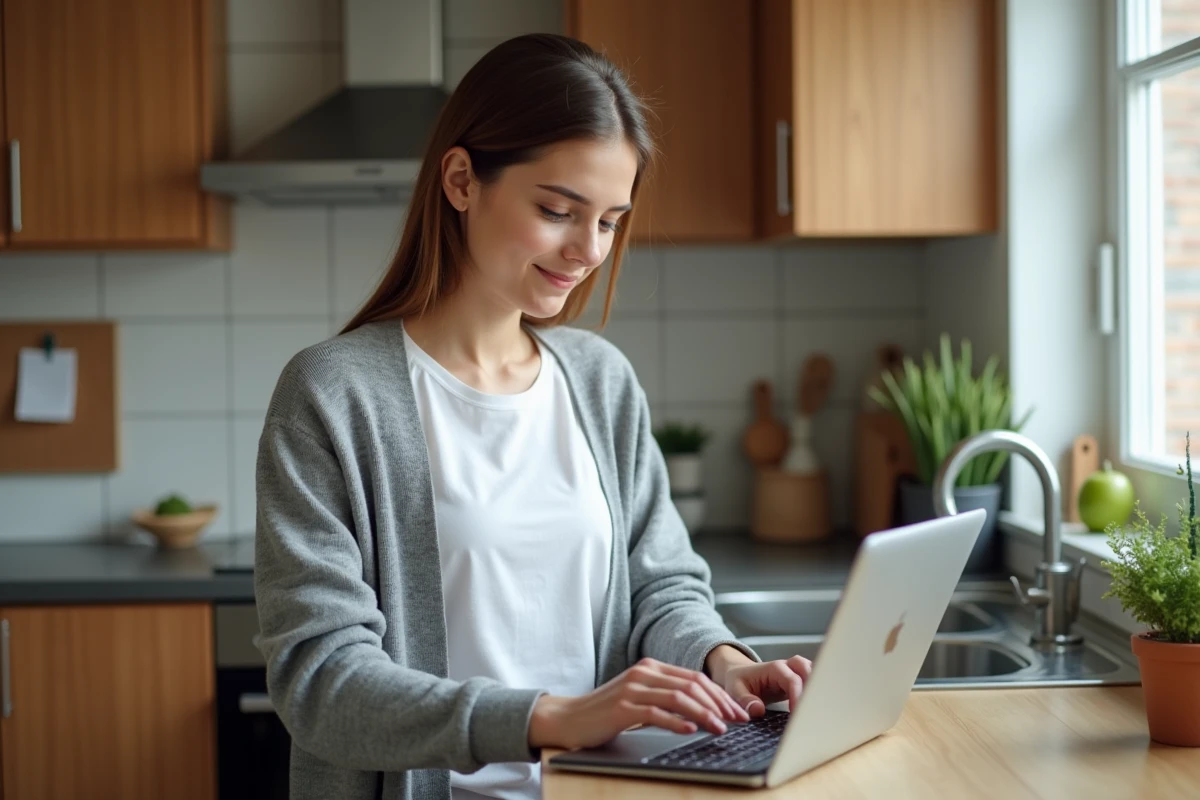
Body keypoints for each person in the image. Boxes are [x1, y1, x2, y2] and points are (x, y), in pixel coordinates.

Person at [253, 32, 813, 800]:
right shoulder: (333, 394)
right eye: (558, 210)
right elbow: (321, 683)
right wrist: (548, 717)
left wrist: (721, 658)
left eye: (611, 221)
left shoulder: (598, 380)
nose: (588, 250)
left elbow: (663, 587)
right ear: (461, 180)